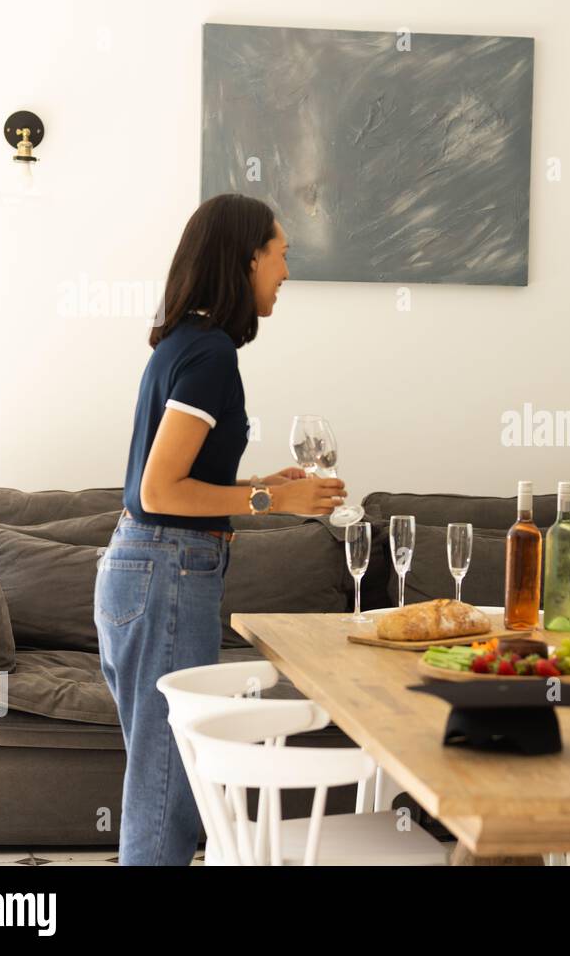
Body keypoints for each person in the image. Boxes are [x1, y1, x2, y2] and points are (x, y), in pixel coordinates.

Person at [94, 193, 345, 865]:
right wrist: (276, 502)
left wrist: (270, 483)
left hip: (145, 567)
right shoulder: (209, 355)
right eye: (282, 252)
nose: (287, 270)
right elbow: (160, 490)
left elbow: (179, 481)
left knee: (161, 778)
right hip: (168, 569)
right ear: (248, 257)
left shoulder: (188, 343)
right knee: (169, 788)